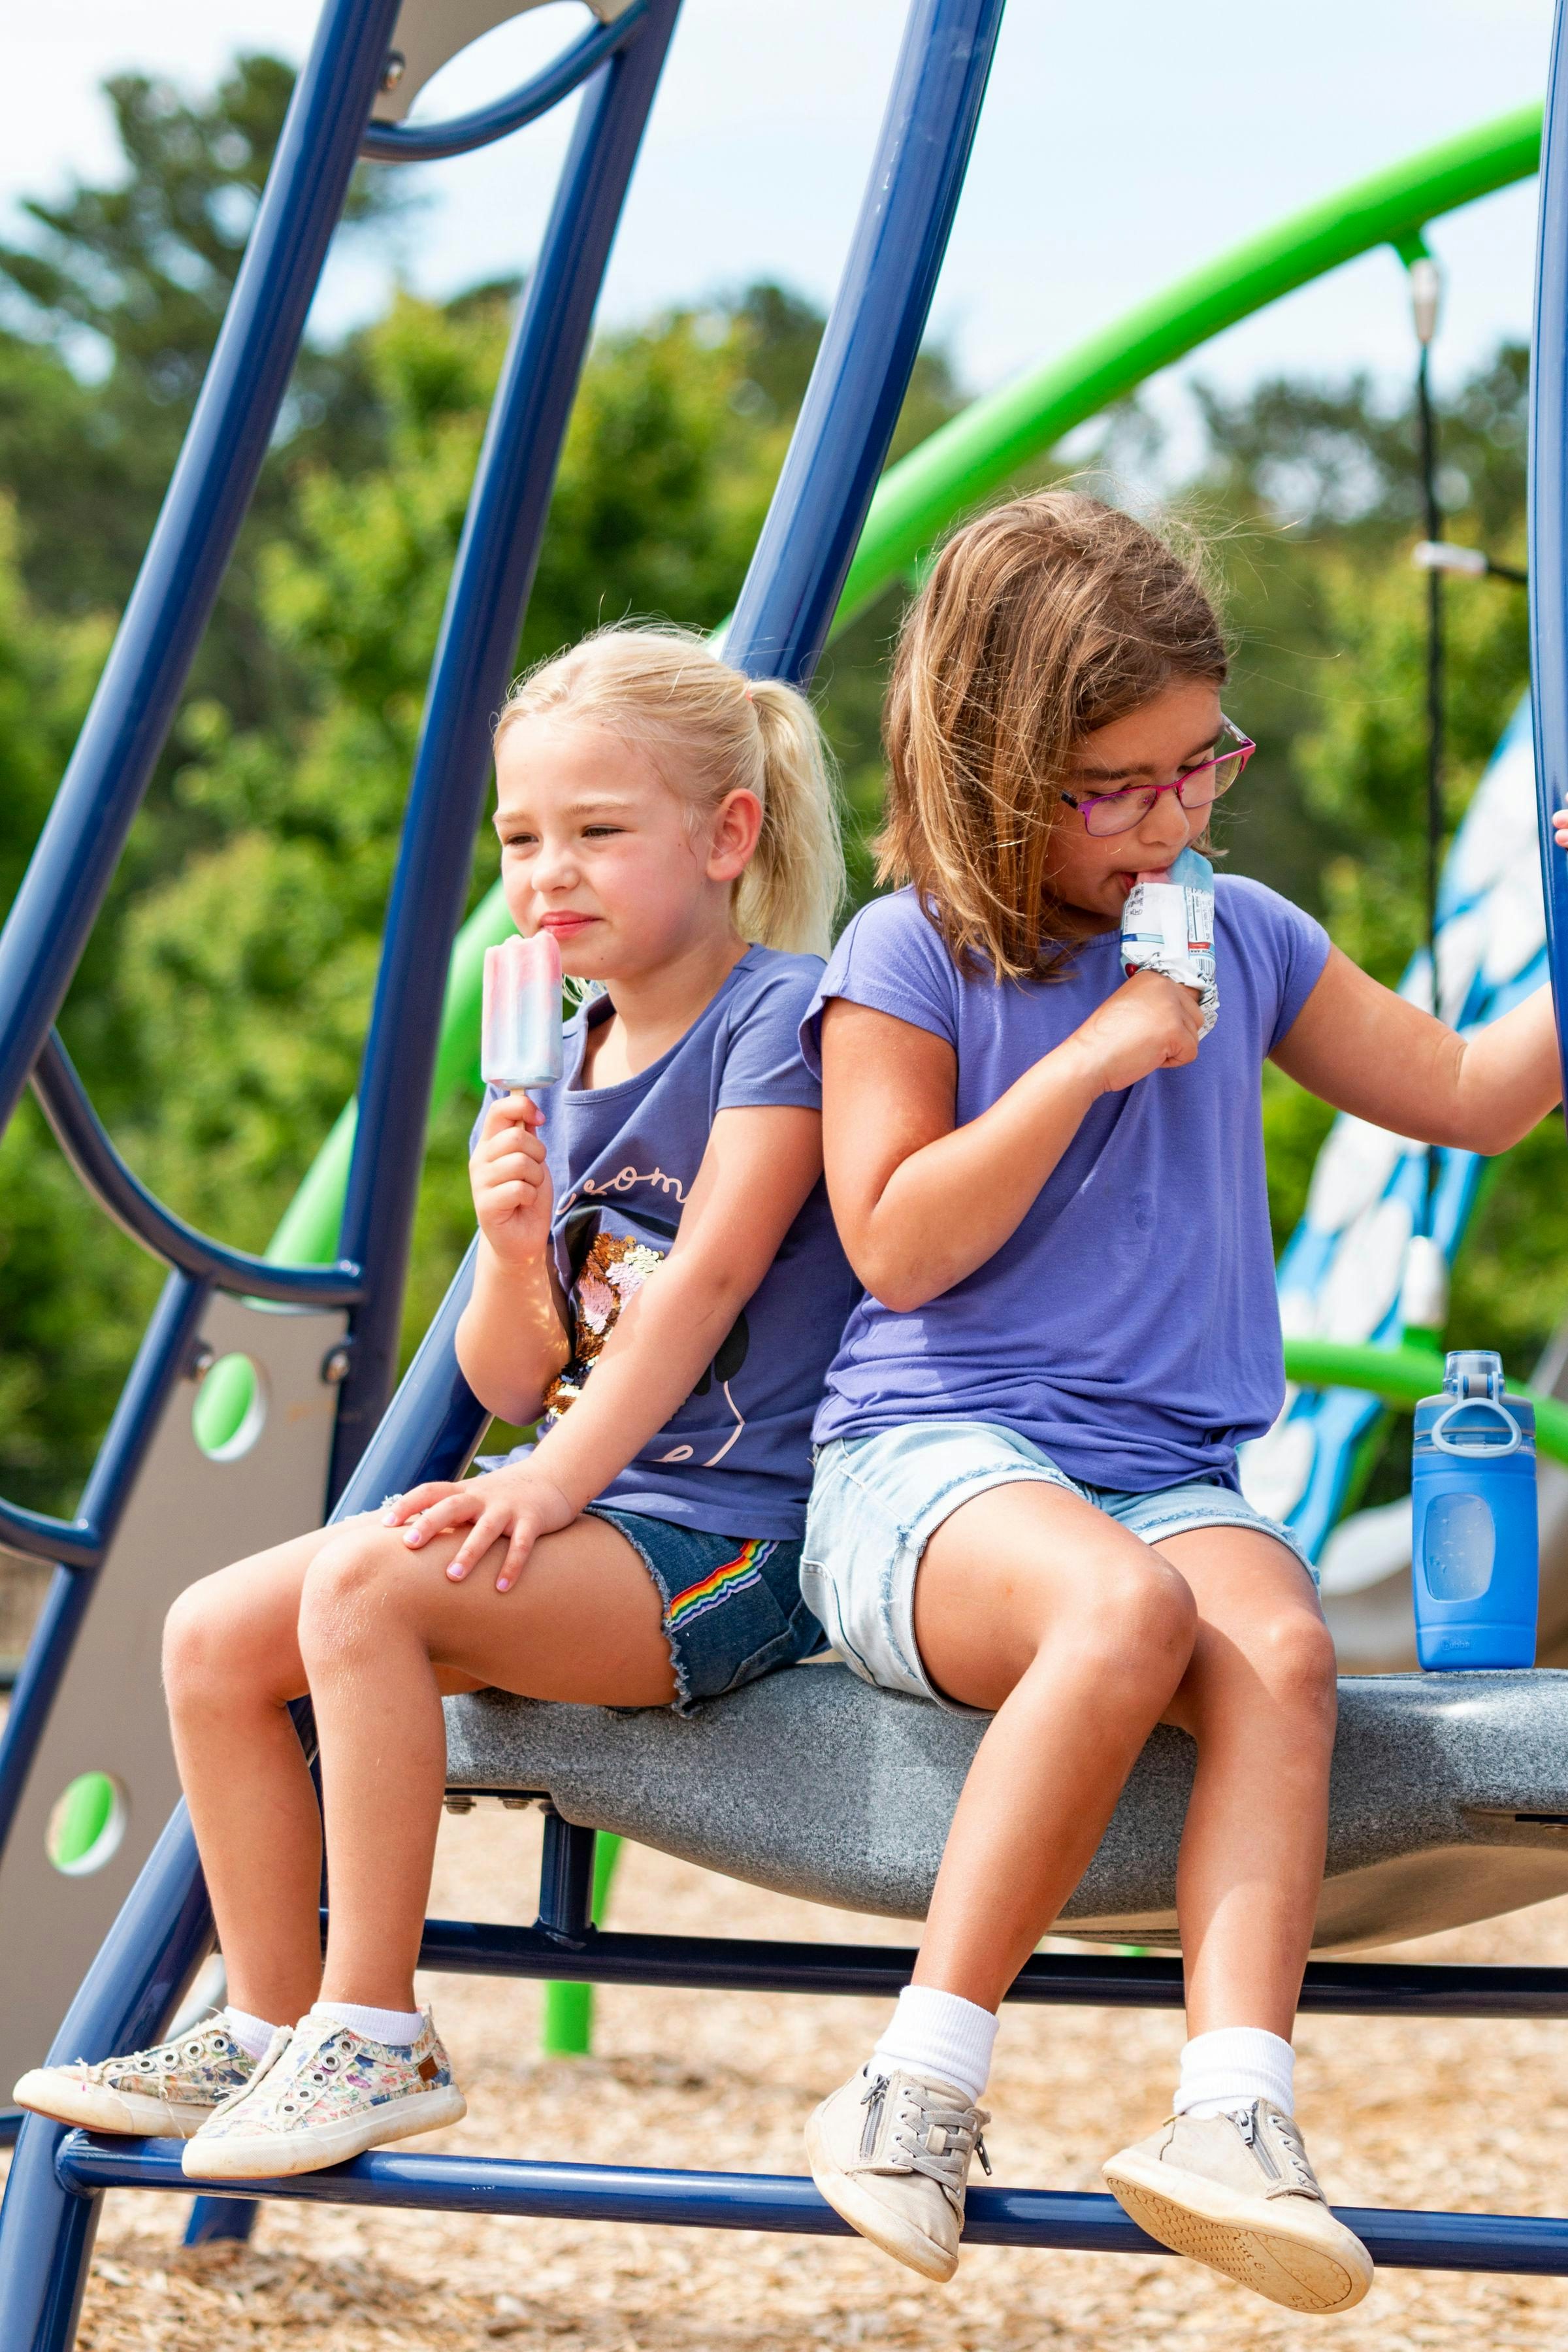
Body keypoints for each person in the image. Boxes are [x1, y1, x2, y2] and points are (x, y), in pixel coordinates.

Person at [798, 489, 1568, 2315]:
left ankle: (1232, 2111)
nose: (1175, 818)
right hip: (926, 1462)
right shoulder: (909, 958)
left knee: (1285, 1648)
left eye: (1198, 764)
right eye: (1120, 787)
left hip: (1160, 1467)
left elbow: (1467, 1092)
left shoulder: (1258, 935)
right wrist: (1098, 1056)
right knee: (1126, 1610)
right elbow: (894, 1246)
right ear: (1000, 772)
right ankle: (916, 2081)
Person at [15, 625, 858, 2181]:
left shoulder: (781, 1019)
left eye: (600, 831)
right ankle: (269, 2026)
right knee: (209, 1634)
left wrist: (542, 1488)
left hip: (731, 1542)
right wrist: (509, 1240)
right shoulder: (562, 1052)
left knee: (360, 1588)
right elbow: (510, 1375)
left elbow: (707, 1286)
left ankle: (378, 2028)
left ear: (729, 835)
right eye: (523, 837)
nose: (552, 872)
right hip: (596, 1502)